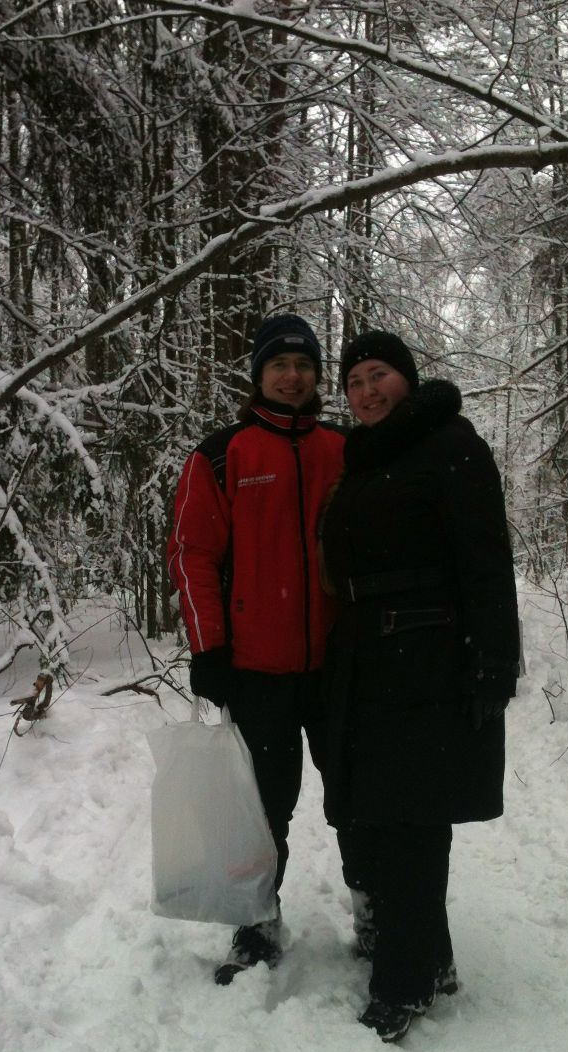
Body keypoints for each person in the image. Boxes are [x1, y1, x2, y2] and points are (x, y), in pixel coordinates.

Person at [320, 330, 520, 1042]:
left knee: (409, 821)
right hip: (365, 661)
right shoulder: (365, 459)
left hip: (426, 659)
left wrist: (496, 660)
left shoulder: (450, 445)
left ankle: (402, 983)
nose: (367, 391)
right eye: (354, 383)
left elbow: (487, 560)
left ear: (407, 378)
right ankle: (429, 960)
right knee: (374, 815)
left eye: (379, 376)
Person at [167, 313, 368, 984]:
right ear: (259, 374)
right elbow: (192, 554)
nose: (293, 376)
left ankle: (377, 911)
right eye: (280, 365)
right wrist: (209, 648)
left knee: (360, 798)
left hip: (340, 665)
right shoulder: (222, 455)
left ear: (317, 377)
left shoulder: (345, 449)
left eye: (305, 366)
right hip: (258, 670)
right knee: (263, 809)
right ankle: (257, 921)